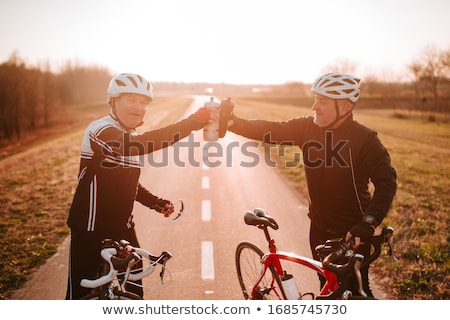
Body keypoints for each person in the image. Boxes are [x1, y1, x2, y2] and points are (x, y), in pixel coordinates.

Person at [222, 72, 397, 297]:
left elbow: (387, 183)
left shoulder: (365, 140)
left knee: (355, 293)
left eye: (322, 101)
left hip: (351, 233)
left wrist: (369, 223)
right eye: (315, 99)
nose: (315, 106)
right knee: (326, 289)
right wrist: (233, 122)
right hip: (318, 228)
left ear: (344, 107)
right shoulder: (308, 128)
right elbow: (271, 130)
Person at [65, 73, 215, 299]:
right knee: (79, 295)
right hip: (90, 227)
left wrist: (156, 203)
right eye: (131, 100)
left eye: (144, 102)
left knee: (136, 294)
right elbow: (139, 145)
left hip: (122, 226)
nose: (139, 107)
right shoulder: (100, 130)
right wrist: (192, 123)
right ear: (113, 101)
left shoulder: (130, 136)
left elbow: (129, 183)